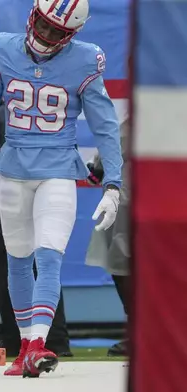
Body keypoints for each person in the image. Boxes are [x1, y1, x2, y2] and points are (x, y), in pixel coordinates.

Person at [0, 0, 123, 378]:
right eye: (44, 26)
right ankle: (24, 347)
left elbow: (105, 125)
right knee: (17, 260)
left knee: (49, 255)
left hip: (58, 168)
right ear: (34, 17)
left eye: (57, 31)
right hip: (14, 168)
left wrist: (113, 183)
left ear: (72, 35)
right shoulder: (2, 47)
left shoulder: (85, 60)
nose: (46, 35)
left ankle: (36, 346)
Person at [0, 103, 72, 358]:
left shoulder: (0, 113)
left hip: (1, 210)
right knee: (45, 270)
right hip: (43, 203)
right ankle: (54, 341)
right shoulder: (52, 107)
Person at [85, 118, 130, 357]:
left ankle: (139, 330)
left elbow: (113, 145)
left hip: (129, 203)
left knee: (123, 267)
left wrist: (97, 169)